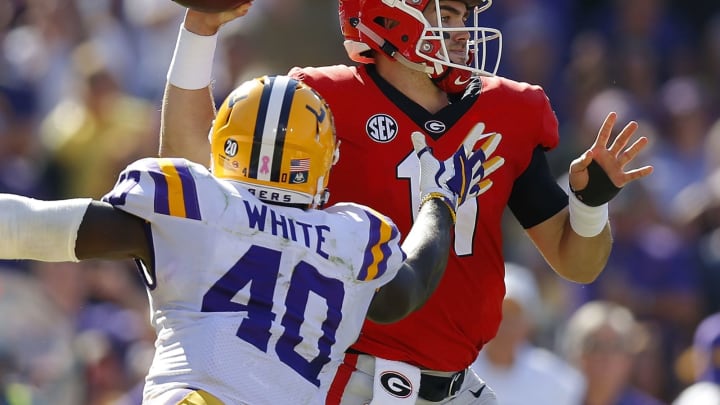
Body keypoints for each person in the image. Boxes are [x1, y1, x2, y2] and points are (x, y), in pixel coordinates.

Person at [159, 1, 654, 403]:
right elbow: (201, 178)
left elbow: (577, 262)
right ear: (390, 17)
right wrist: (200, 32)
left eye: (463, 16)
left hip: (458, 383)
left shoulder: (509, 110)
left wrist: (591, 204)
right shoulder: (321, 99)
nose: (464, 31)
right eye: (449, 14)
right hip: (342, 378)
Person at [0, 75, 501, 404]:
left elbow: (31, 226)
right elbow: (407, 291)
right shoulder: (352, 235)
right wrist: (440, 203)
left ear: (226, 143)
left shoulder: (193, 201)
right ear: (321, 162)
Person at [471, 262, 586, 405]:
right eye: (496, 313)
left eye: (513, 316)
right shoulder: (456, 373)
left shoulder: (556, 379)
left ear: (529, 323)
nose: (503, 325)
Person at [559, 301, 665, 405]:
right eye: (595, 346)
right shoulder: (551, 398)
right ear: (574, 354)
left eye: (615, 347)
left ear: (629, 359)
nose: (604, 357)